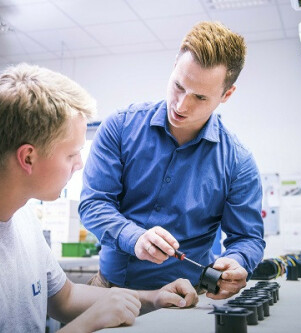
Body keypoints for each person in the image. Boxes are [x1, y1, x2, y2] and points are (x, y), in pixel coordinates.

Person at [0, 63, 198, 333]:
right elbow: (75, 316)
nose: (79, 163)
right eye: (71, 154)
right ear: (28, 157)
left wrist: (153, 298)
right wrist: (85, 326)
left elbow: (65, 298)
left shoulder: (19, 214)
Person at [79, 21, 265, 300]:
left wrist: (237, 262)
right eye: (178, 86)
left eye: (200, 97)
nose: (181, 105)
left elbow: (248, 238)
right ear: (173, 67)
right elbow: (93, 204)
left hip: (185, 299)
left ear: (227, 95)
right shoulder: (119, 126)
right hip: (108, 290)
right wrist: (134, 237)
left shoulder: (238, 162)